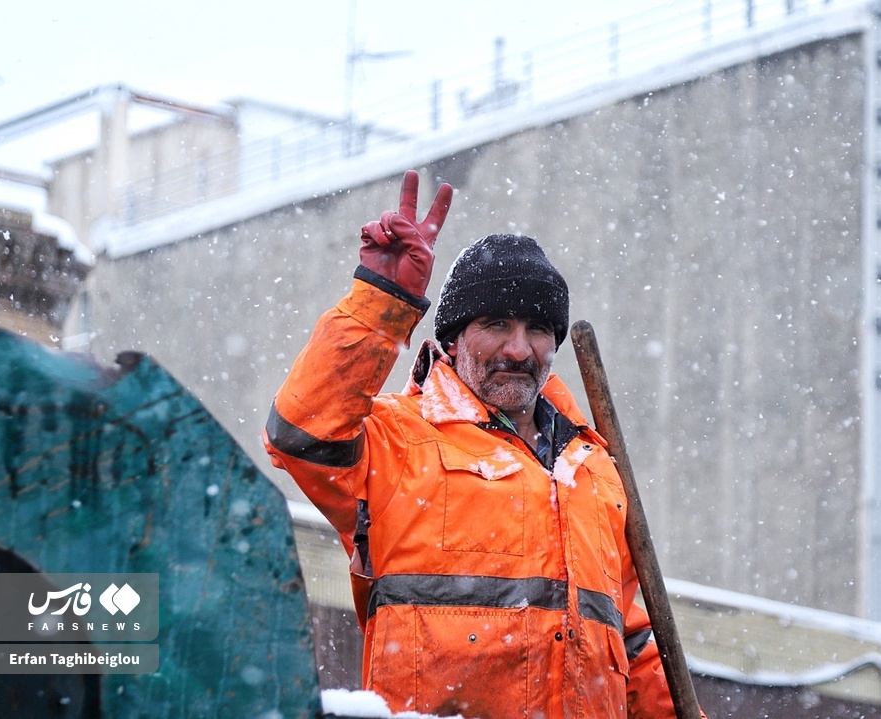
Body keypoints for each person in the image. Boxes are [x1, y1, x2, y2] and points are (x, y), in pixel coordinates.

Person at [264, 170, 695, 719]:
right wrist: (382, 302)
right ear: (453, 338)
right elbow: (302, 433)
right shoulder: (398, 440)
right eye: (496, 324)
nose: (519, 349)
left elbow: (622, 639)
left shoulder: (594, 470)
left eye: (538, 329)